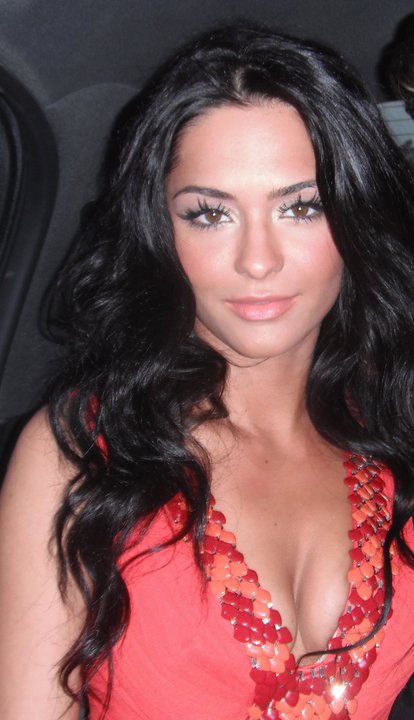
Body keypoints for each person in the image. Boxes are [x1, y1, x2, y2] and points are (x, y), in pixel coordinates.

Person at [1, 23, 414, 720]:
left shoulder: (395, 424)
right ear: (160, 231)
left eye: (301, 206)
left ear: (356, 216)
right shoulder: (81, 454)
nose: (258, 260)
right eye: (211, 214)